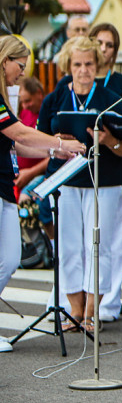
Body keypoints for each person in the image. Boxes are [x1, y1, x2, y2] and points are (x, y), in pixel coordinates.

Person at [38, 37, 122, 333]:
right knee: (67, 247)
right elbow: (40, 142)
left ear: (97, 65)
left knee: (98, 247)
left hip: (103, 181)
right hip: (66, 180)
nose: (83, 70)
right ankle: (74, 312)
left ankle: (92, 314)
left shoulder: (110, 98)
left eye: (89, 64)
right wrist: (59, 144)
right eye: (77, 64)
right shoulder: (54, 99)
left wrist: (107, 140)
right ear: (68, 65)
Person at [0, 36, 85, 352]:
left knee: (9, 260)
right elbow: (18, 132)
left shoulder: (4, 95)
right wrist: (60, 144)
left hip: (6, 186)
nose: (21, 74)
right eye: (19, 67)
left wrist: (54, 151)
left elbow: (15, 143)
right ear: (5, 60)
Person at [89, 23, 122, 323]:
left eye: (109, 44)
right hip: (90, 171)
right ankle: (87, 299)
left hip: (120, 167)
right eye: (98, 42)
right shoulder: (76, 81)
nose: (104, 49)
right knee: (93, 238)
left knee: (118, 240)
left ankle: (110, 301)